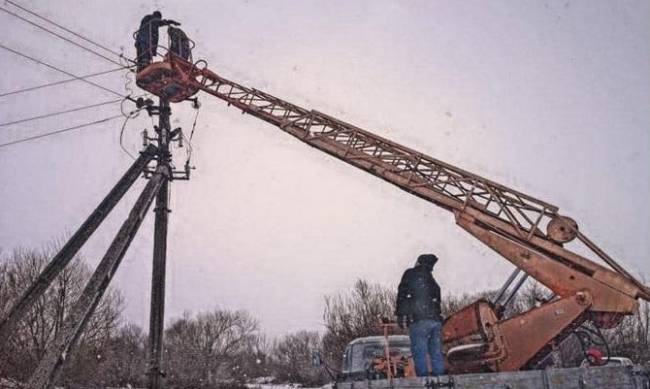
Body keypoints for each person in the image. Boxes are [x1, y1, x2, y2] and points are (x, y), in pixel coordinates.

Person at [395, 254, 445, 376]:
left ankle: (424, 381)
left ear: (418, 262)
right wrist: (437, 314)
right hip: (435, 321)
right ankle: (440, 379)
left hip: (420, 320)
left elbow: (402, 294)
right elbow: (437, 296)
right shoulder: (430, 279)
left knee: (420, 351)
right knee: (436, 352)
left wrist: (401, 315)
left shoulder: (410, 274)